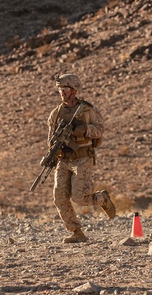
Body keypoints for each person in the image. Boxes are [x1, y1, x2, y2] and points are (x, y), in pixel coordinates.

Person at [47, 74, 116, 243]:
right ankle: (76, 231)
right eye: (60, 90)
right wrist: (51, 153)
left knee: (79, 197)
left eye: (65, 89)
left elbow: (100, 129)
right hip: (64, 159)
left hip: (82, 158)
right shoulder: (56, 113)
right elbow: (50, 138)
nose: (62, 93)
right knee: (59, 197)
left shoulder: (87, 110)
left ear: (74, 90)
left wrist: (84, 130)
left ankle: (102, 199)